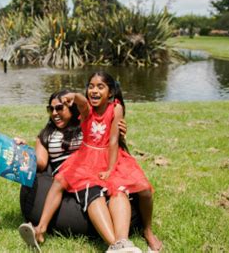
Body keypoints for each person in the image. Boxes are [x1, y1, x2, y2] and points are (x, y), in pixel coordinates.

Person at [19, 72, 162, 252]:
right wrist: (74, 96)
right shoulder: (84, 111)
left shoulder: (115, 108)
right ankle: (41, 228)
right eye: (91, 86)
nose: (94, 90)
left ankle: (147, 231)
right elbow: (82, 102)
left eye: (100, 86)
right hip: (87, 158)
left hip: (109, 156)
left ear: (110, 92)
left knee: (142, 190)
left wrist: (110, 169)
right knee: (60, 181)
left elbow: (112, 141)